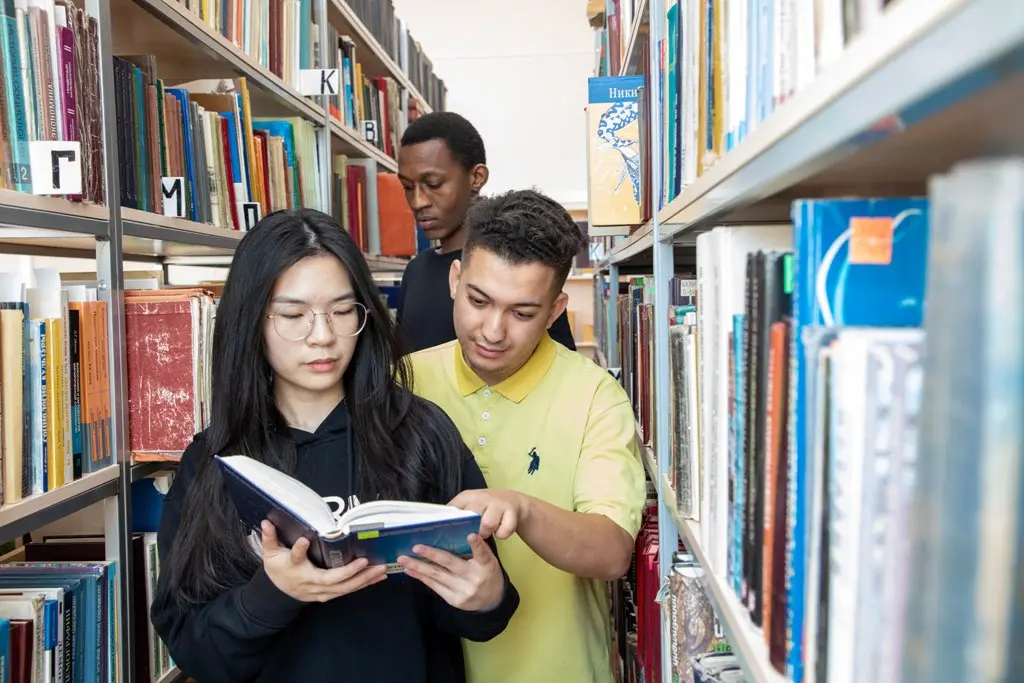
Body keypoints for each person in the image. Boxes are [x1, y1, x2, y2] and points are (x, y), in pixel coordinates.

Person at [150, 209, 520, 683]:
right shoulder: (215, 461)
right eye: (293, 315)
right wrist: (274, 593)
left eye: (343, 312)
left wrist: (488, 597)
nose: (323, 337)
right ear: (251, 320)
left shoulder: (422, 433)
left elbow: (479, 612)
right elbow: (193, 649)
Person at [408, 189, 646, 683]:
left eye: (522, 313)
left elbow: (612, 553)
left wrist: (523, 508)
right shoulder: (401, 383)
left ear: (556, 310)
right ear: (455, 280)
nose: (493, 331)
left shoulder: (596, 396)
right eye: (478, 301)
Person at [395, 111, 578, 353]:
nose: (418, 201)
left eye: (434, 184)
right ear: (455, 279)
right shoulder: (415, 270)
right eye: (407, 187)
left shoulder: (518, 264)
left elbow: (559, 365)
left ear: (476, 177)